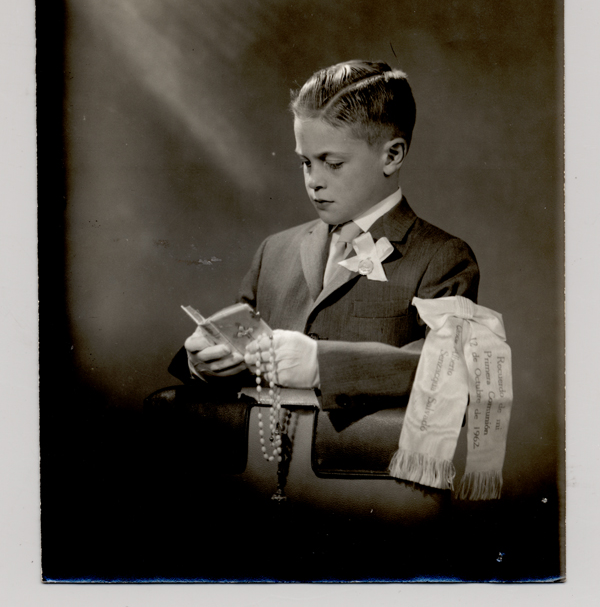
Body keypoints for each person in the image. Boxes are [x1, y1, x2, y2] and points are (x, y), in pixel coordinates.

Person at [169, 60, 479, 412]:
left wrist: (323, 364)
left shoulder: (442, 257)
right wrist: (204, 364)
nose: (314, 181)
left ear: (392, 155)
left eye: (333, 164)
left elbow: (449, 369)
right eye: (306, 162)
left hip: (355, 448)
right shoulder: (275, 250)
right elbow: (239, 351)